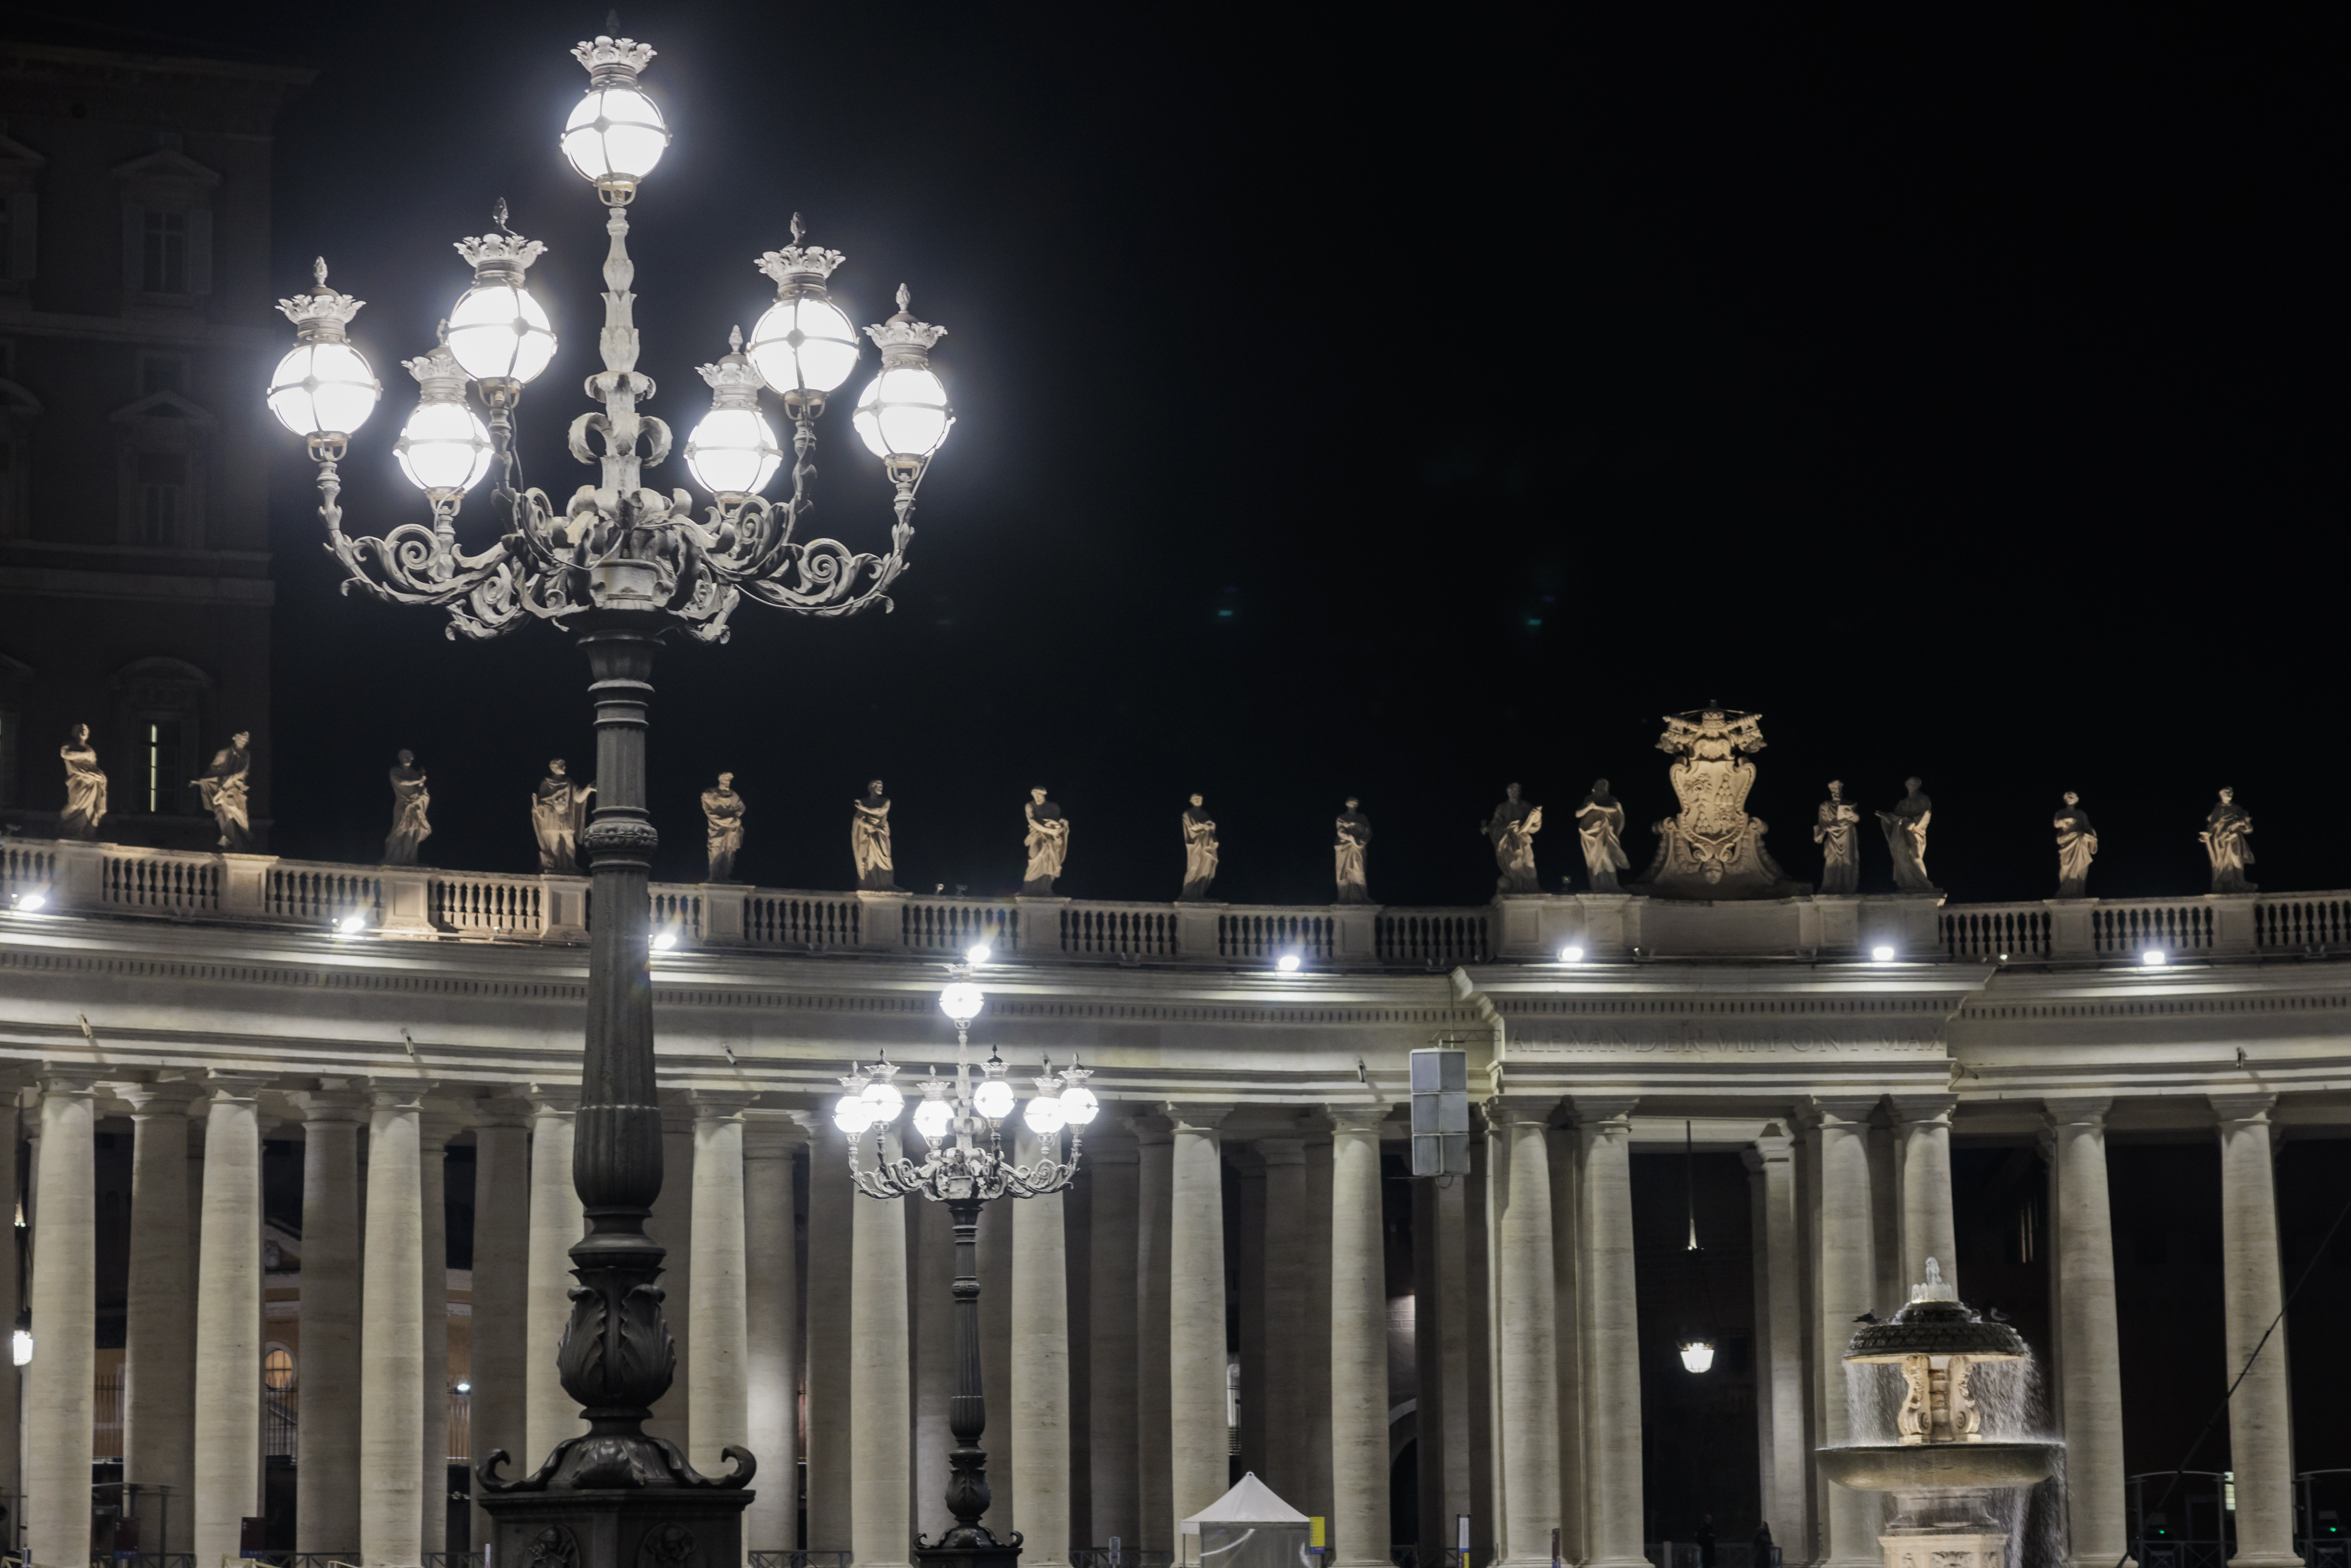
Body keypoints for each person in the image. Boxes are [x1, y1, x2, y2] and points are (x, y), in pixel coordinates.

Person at [194, 731, 254, 852]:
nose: (243, 743)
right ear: (235, 739)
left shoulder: (246, 755)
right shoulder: (223, 753)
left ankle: (241, 841)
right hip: (223, 787)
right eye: (241, 740)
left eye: (245, 742)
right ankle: (229, 840)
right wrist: (206, 781)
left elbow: (243, 773)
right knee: (225, 814)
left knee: (240, 816)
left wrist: (233, 780)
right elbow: (214, 770)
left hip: (235, 788)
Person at [532, 760, 594, 876]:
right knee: (554, 840)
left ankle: (571, 864)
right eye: (562, 765)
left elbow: (579, 799)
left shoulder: (569, 783)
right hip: (552, 815)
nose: (565, 767)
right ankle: (556, 865)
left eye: (564, 765)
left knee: (569, 839)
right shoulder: (546, 783)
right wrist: (539, 807)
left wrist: (588, 789)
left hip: (565, 814)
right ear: (554, 768)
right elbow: (541, 801)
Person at [1877, 778, 1934, 893]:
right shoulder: (1902, 803)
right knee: (1903, 856)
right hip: (1902, 832)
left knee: (1916, 856)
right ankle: (1908, 884)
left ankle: (1924, 884)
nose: (1912, 787)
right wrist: (1886, 817)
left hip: (1916, 832)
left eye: (1914, 785)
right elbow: (1896, 817)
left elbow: (1927, 813)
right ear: (1907, 786)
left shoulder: (1923, 799)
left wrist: (1914, 823)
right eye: (1910, 785)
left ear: (1918, 786)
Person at [1484, 783, 1543, 893]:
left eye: (1517, 791)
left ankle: (1532, 888)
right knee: (1513, 864)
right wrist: (1488, 828)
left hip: (1523, 839)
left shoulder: (1526, 805)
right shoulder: (1502, 807)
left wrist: (1537, 817)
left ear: (1519, 792)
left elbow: (1534, 822)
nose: (1514, 793)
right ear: (1508, 792)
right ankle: (1516, 888)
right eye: (1512, 791)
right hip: (1508, 841)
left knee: (1529, 863)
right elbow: (1496, 822)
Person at [1575, 779, 1629, 893]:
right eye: (1599, 784)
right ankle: (1597, 886)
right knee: (1593, 860)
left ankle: (1613, 885)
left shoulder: (1610, 799)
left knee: (1607, 857)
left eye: (1604, 785)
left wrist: (1597, 807)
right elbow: (1578, 814)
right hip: (1590, 834)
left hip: (1605, 832)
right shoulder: (1589, 799)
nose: (1601, 786)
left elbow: (1614, 808)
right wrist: (1589, 808)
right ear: (1594, 787)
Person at [2200, 786, 2256, 893]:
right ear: (2221, 794)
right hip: (2221, 840)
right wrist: (2206, 835)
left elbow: (2248, 830)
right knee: (2222, 862)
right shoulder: (2217, 810)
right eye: (2226, 792)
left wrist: (2244, 823)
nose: (2229, 794)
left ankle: (2240, 883)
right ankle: (2225, 884)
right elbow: (2212, 826)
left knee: (2237, 860)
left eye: (2231, 792)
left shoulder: (2237, 809)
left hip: (2235, 839)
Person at [59, 723, 109, 840]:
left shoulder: (90, 749)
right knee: (76, 804)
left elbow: (92, 766)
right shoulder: (69, 744)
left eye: (86, 729)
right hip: (78, 780)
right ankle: (66, 824)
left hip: (91, 781)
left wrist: (99, 775)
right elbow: (65, 754)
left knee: (90, 808)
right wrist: (84, 754)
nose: (83, 731)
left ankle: (83, 832)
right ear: (75, 732)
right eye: (80, 729)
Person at [384, 749, 431, 865]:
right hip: (402, 804)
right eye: (403, 756)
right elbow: (401, 782)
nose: (406, 758)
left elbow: (420, 789)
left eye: (408, 756)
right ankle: (392, 856)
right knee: (399, 830)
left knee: (412, 832)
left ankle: (407, 858)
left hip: (414, 805)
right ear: (400, 759)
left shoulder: (415, 774)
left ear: (412, 758)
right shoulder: (395, 771)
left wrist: (421, 784)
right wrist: (417, 780)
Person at [1814, 780, 1860, 894]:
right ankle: (1830, 887)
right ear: (1831, 792)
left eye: (1839, 790)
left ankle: (1848, 886)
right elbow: (1822, 822)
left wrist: (1855, 817)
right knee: (1832, 860)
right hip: (1833, 836)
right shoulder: (1825, 806)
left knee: (1847, 860)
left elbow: (1856, 818)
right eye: (1834, 790)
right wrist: (1820, 833)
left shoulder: (1848, 804)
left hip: (1847, 835)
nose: (1837, 792)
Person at [1022, 788, 1069, 895]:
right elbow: (1032, 821)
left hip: (1052, 839)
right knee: (1035, 860)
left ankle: (1046, 889)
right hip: (1037, 836)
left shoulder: (1053, 807)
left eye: (1039, 795)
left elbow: (1058, 821)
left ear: (1044, 795)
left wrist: (1062, 825)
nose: (1037, 798)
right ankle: (1029, 888)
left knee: (1050, 862)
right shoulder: (1030, 806)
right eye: (1035, 796)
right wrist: (1047, 830)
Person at [852, 779, 897, 892]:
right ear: (871, 787)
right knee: (869, 859)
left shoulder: (885, 801)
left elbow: (881, 811)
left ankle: (886, 884)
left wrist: (863, 808)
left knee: (885, 858)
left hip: (881, 833)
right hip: (869, 834)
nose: (881, 787)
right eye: (878, 785)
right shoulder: (865, 801)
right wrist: (867, 825)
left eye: (882, 785)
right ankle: (872, 885)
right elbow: (858, 818)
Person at [702, 772, 747, 882]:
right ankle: (714, 878)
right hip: (717, 829)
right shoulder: (710, 794)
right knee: (716, 851)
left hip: (731, 830)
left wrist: (735, 820)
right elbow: (710, 812)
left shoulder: (734, 796)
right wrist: (731, 820)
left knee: (729, 852)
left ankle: (725, 877)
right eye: (725, 781)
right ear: (720, 780)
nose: (727, 783)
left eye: (729, 781)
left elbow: (741, 809)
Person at [2054, 791, 2098, 898]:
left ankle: (2078, 890)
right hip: (2067, 841)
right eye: (2068, 797)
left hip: (2079, 842)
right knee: (2065, 866)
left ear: (2076, 799)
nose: (2070, 798)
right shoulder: (2061, 812)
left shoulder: (2081, 814)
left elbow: (2087, 827)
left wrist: (2090, 836)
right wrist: (2066, 820)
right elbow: (2056, 823)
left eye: (2072, 797)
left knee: (2080, 866)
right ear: (2065, 799)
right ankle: (2065, 890)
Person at [1179, 793, 1219, 901]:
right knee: (1194, 868)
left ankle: (1200, 895)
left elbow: (1212, 827)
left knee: (1206, 869)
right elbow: (1192, 827)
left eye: (1199, 798)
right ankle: (1187, 895)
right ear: (1191, 801)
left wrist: (1210, 826)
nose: (1197, 800)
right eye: (1195, 799)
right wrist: (1206, 825)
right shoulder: (1188, 813)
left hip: (1207, 844)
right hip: (1196, 844)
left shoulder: (1205, 814)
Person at [1334, 798, 1372, 903]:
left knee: (1358, 871)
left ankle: (1362, 897)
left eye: (1355, 803)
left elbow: (1368, 832)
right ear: (1347, 805)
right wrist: (1351, 838)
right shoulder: (1342, 818)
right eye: (1351, 803)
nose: (1353, 805)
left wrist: (1360, 841)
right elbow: (1340, 831)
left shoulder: (1362, 817)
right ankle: (1343, 898)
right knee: (1344, 871)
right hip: (1345, 847)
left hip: (1358, 847)